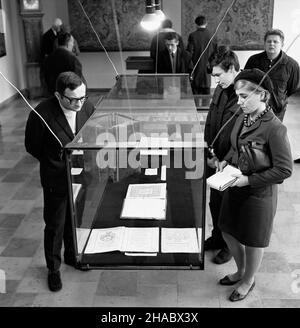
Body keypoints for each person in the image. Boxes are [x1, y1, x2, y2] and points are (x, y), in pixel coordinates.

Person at [216, 68, 293, 302]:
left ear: (262, 95)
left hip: (258, 193)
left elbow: (284, 169)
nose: (239, 102)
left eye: (243, 97)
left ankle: (248, 280)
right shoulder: (243, 116)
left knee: (252, 240)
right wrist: (224, 162)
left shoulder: (275, 128)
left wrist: (248, 180)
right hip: (235, 183)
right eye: (238, 96)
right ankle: (240, 270)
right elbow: (235, 147)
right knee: (227, 231)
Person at [25, 72, 95, 292]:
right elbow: (32, 146)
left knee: (76, 219)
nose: (79, 104)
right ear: (58, 95)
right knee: (55, 224)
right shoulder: (41, 114)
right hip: (56, 177)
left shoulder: (86, 105)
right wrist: (54, 161)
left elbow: (92, 133)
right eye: (73, 99)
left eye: (82, 97)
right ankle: (53, 269)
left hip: (82, 175)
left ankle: (73, 256)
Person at [204, 46, 241, 264]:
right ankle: (218, 237)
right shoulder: (220, 88)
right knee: (215, 202)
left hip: (231, 162)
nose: (216, 80)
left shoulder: (246, 92)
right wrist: (208, 148)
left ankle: (229, 245)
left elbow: (244, 136)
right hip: (214, 157)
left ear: (233, 68)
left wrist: (224, 160)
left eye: (219, 75)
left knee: (229, 206)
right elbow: (211, 119)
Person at [244, 29, 299, 122]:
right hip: (255, 106)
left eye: (275, 42)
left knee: (272, 134)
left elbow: (292, 88)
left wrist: (279, 98)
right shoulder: (253, 60)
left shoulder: (292, 65)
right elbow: (245, 81)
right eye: (269, 41)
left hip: (277, 110)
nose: (272, 44)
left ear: (282, 44)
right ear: (264, 44)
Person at [186, 15, 217, 95]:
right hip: (207, 70)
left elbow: (189, 53)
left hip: (195, 70)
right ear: (206, 23)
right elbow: (215, 53)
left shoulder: (192, 35)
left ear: (196, 24)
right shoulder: (212, 35)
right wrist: (211, 65)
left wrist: (189, 68)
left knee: (195, 97)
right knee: (206, 97)